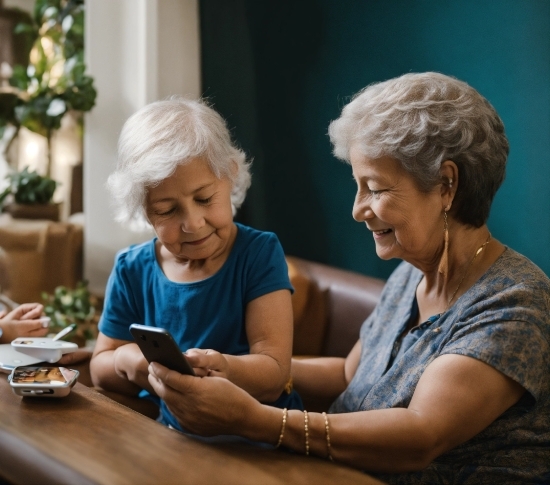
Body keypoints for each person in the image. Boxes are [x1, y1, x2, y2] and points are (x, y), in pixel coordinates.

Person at [145, 73, 550, 483]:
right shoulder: (411, 275)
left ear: (446, 185)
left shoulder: (514, 305)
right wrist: (231, 369)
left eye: (374, 188)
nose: (358, 209)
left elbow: (420, 435)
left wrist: (252, 419)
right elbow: (348, 376)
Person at [90, 98, 302, 431]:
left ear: (230, 177)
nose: (193, 223)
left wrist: (226, 369)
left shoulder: (258, 254)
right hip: (174, 439)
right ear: (144, 211)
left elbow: (274, 373)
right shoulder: (132, 268)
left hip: (257, 440)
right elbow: (100, 368)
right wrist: (131, 361)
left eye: (204, 199)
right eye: (167, 210)